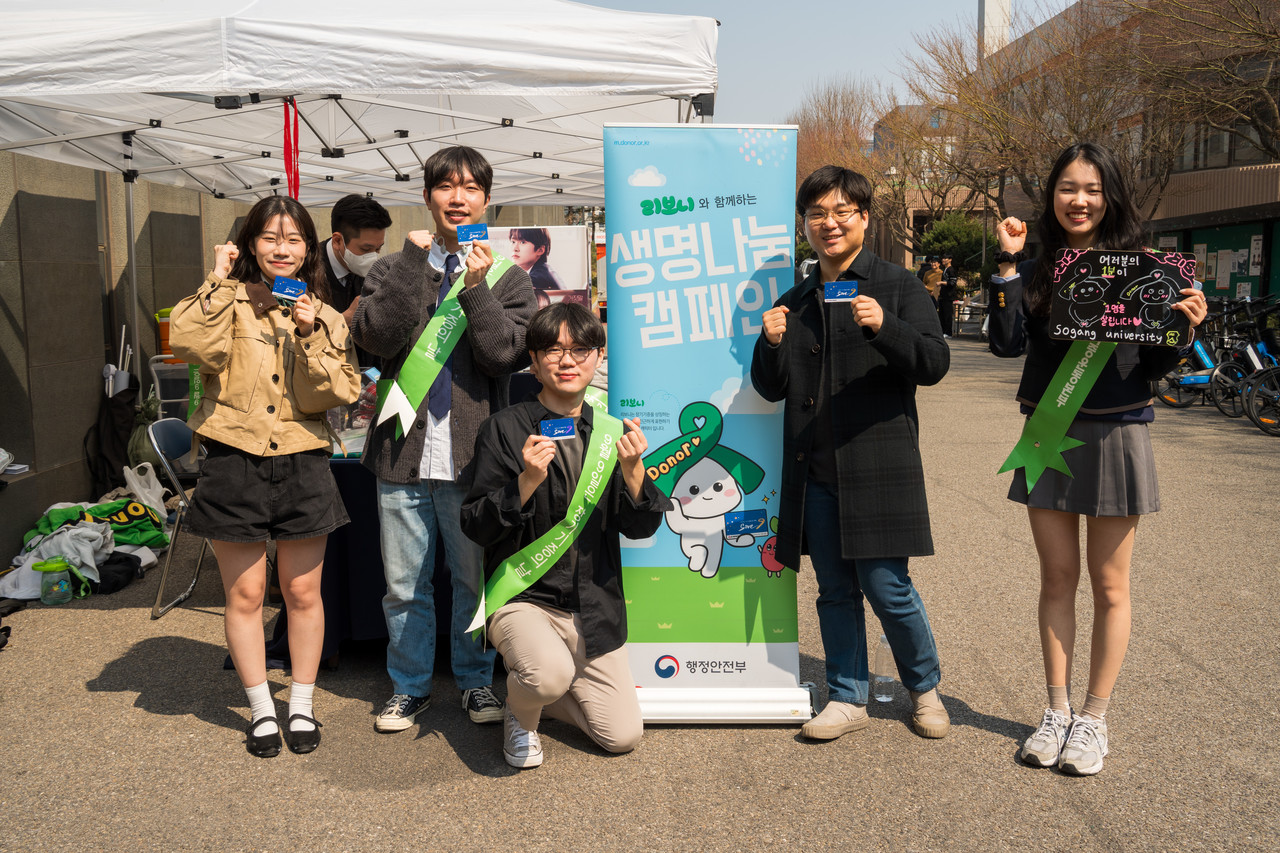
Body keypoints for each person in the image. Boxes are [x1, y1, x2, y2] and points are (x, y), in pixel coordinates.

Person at [988, 142, 1207, 776]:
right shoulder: (1036, 267)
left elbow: (1157, 366)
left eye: (1090, 188)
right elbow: (1005, 345)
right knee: (1057, 579)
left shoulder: (1148, 267)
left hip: (1118, 432)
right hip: (1049, 428)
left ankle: (1093, 720)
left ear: (1109, 194)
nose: (1078, 200)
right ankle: (1054, 712)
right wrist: (1006, 266)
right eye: (1066, 188)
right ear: (1050, 196)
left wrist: (1185, 329)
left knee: (1112, 586)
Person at [750, 165, 951, 742]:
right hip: (814, 471)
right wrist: (769, 343)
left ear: (864, 218)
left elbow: (934, 365)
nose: (829, 223)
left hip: (879, 467)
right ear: (804, 226)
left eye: (842, 212)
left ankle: (925, 690)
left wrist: (886, 326)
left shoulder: (898, 286)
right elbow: (771, 387)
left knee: (889, 589)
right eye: (817, 214)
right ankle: (846, 696)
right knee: (834, 591)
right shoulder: (798, 297)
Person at [351, 146, 538, 734]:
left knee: (471, 581)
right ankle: (408, 687)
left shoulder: (509, 277)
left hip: (472, 460)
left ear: (487, 197)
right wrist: (414, 265)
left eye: (470, 188)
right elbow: (377, 339)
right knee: (403, 587)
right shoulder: (393, 268)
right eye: (445, 187)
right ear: (428, 195)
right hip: (399, 454)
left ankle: (476, 680)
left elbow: (505, 354)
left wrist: (476, 287)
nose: (458, 198)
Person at [170, 196, 361, 757]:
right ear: (251, 242)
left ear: (310, 248)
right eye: (271, 237)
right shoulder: (224, 299)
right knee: (248, 592)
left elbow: (335, 393)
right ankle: (259, 710)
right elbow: (186, 344)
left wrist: (308, 334)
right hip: (235, 457)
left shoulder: (322, 312)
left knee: (303, 591)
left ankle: (300, 703)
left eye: (296, 238)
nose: (283, 248)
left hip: (303, 459)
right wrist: (217, 276)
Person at [461, 302, 670, 768]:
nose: (567, 360)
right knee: (547, 676)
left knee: (621, 736)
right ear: (532, 361)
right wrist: (525, 483)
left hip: (592, 606)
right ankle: (523, 712)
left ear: (598, 357)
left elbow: (643, 527)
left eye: (580, 349)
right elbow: (474, 523)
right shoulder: (503, 428)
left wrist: (634, 472)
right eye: (552, 350)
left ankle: (539, 688)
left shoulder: (613, 433)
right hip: (523, 597)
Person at [322, 195, 392, 369]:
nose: (373, 257)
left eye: (379, 248)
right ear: (338, 241)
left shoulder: (377, 274)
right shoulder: (301, 269)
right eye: (366, 249)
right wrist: (342, 320)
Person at [508, 227, 565, 306]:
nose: (515, 248)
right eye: (513, 242)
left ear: (540, 250)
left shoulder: (538, 276)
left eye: (523, 242)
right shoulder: (541, 270)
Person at [938, 253, 959, 337]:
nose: (943, 260)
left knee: (947, 314)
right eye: (943, 258)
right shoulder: (945, 270)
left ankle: (948, 332)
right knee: (942, 314)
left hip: (948, 295)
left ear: (950, 260)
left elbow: (952, 282)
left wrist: (941, 282)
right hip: (943, 295)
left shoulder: (951, 270)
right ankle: (943, 331)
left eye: (946, 258)